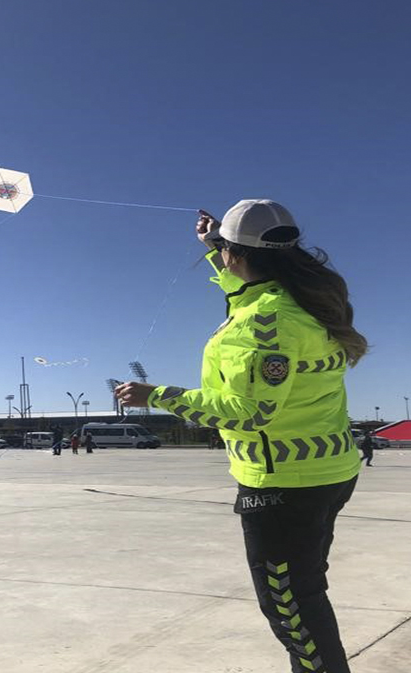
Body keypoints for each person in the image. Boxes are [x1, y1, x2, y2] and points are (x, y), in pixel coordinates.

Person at [115, 201, 368, 673]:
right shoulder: (298, 302)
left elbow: (251, 413)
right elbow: (245, 288)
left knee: (292, 610)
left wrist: (159, 394)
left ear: (239, 254)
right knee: (304, 590)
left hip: (283, 485)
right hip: (327, 472)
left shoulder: (262, 323)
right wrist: (216, 246)